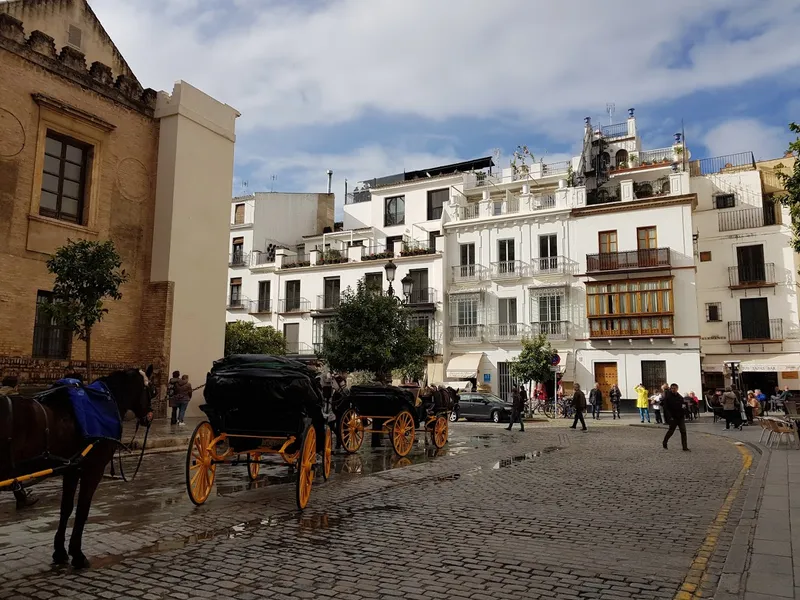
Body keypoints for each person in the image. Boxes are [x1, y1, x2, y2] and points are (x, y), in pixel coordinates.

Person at [0, 376, 39, 509]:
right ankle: (21, 498)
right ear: (16, 386)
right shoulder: (16, 400)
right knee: (12, 469)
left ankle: (21, 496)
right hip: (11, 439)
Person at [662, 383, 690, 451]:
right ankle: (665, 441)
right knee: (671, 431)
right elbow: (666, 408)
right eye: (672, 388)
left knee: (683, 431)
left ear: (677, 389)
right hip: (673, 417)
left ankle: (685, 447)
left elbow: (683, 405)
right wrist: (669, 417)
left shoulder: (679, 397)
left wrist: (684, 411)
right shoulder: (668, 397)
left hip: (680, 417)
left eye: (675, 388)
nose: (673, 390)